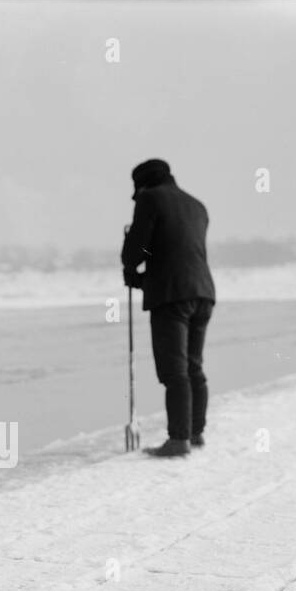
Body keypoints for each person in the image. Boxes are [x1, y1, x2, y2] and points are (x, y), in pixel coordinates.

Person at [121, 159, 217, 458]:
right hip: (202, 292)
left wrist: (131, 254)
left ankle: (179, 439)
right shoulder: (197, 205)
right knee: (193, 366)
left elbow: (137, 252)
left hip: (172, 296)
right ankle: (195, 432)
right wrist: (143, 275)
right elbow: (175, 249)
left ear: (143, 184)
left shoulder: (151, 199)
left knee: (174, 371)